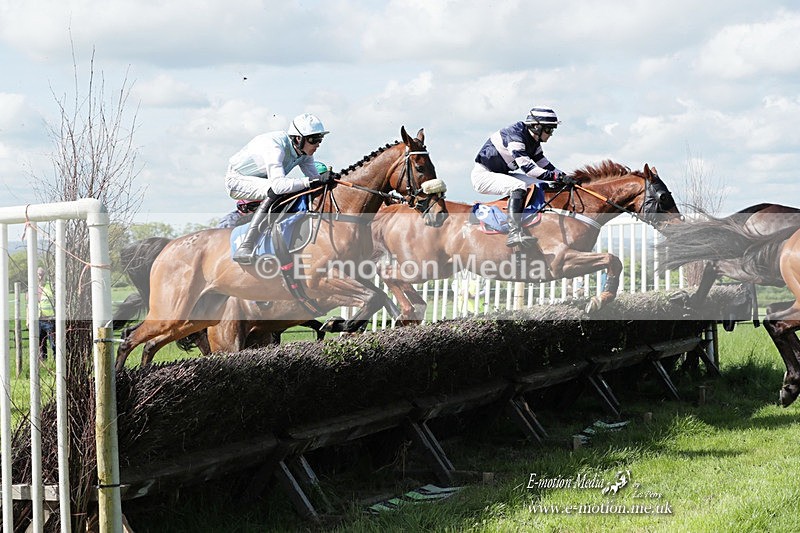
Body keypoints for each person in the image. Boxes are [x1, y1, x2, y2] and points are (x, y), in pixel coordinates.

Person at [225, 113, 334, 264]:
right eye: (314, 140)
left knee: (303, 188)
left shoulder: (304, 152)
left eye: (320, 139)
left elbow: (316, 181)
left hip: (263, 179)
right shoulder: (276, 148)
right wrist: (313, 180)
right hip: (237, 180)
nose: (318, 144)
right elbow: (278, 185)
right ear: (298, 138)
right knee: (276, 191)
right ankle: (246, 245)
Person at [471, 106, 576, 247]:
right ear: (536, 127)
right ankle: (514, 232)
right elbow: (529, 169)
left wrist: (564, 176)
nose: (551, 134)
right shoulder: (515, 137)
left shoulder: (533, 140)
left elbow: (544, 164)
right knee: (519, 186)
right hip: (484, 176)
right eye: (549, 129)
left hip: (500, 173)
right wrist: (557, 177)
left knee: (539, 184)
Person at [37, 267, 55, 360]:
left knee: (54, 344)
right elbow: (29, 306)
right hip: (39, 320)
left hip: (50, 320)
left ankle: (57, 362)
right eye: (38, 274)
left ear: (45, 275)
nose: (39, 276)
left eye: (41, 274)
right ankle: (44, 363)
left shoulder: (50, 286)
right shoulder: (34, 288)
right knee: (41, 344)